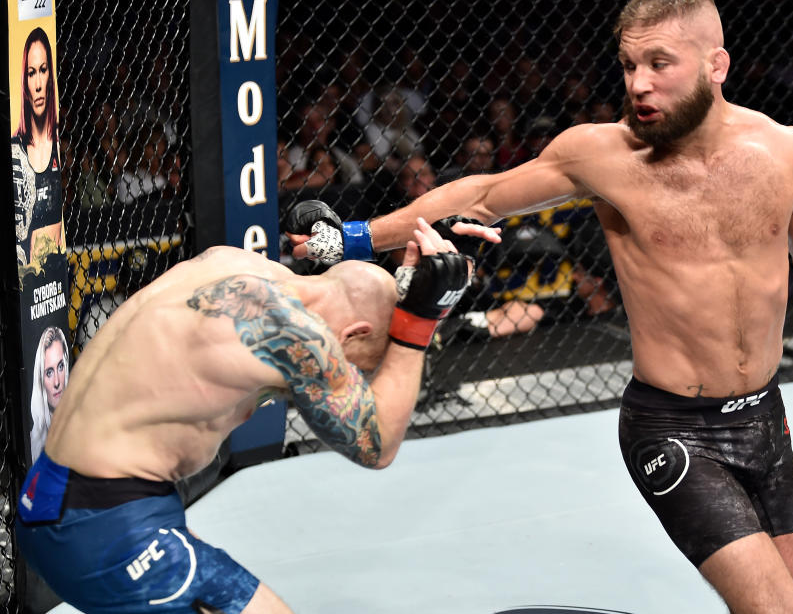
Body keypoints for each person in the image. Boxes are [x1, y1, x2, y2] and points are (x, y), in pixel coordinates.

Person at [286, 0, 793, 613]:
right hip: (673, 429)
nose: (637, 83)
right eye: (628, 65)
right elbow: (476, 194)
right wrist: (349, 237)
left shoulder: (785, 151)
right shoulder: (602, 156)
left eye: (659, 63)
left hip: (765, 417)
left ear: (717, 66)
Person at [16, 217, 472, 614]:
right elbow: (377, 444)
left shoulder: (234, 263)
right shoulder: (296, 335)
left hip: (57, 495)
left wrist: (415, 269)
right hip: (104, 526)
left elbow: (363, 280)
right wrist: (418, 326)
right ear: (353, 333)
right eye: (356, 367)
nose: (346, 378)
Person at [11, 27, 63, 272]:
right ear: (24, 81)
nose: (39, 83)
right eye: (32, 73)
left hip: (54, 281)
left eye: (43, 70)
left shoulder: (58, 146)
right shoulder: (14, 152)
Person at [29, 327, 70, 464]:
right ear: (40, 380)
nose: (57, 382)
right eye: (49, 373)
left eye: (60, 367)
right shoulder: (35, 448)